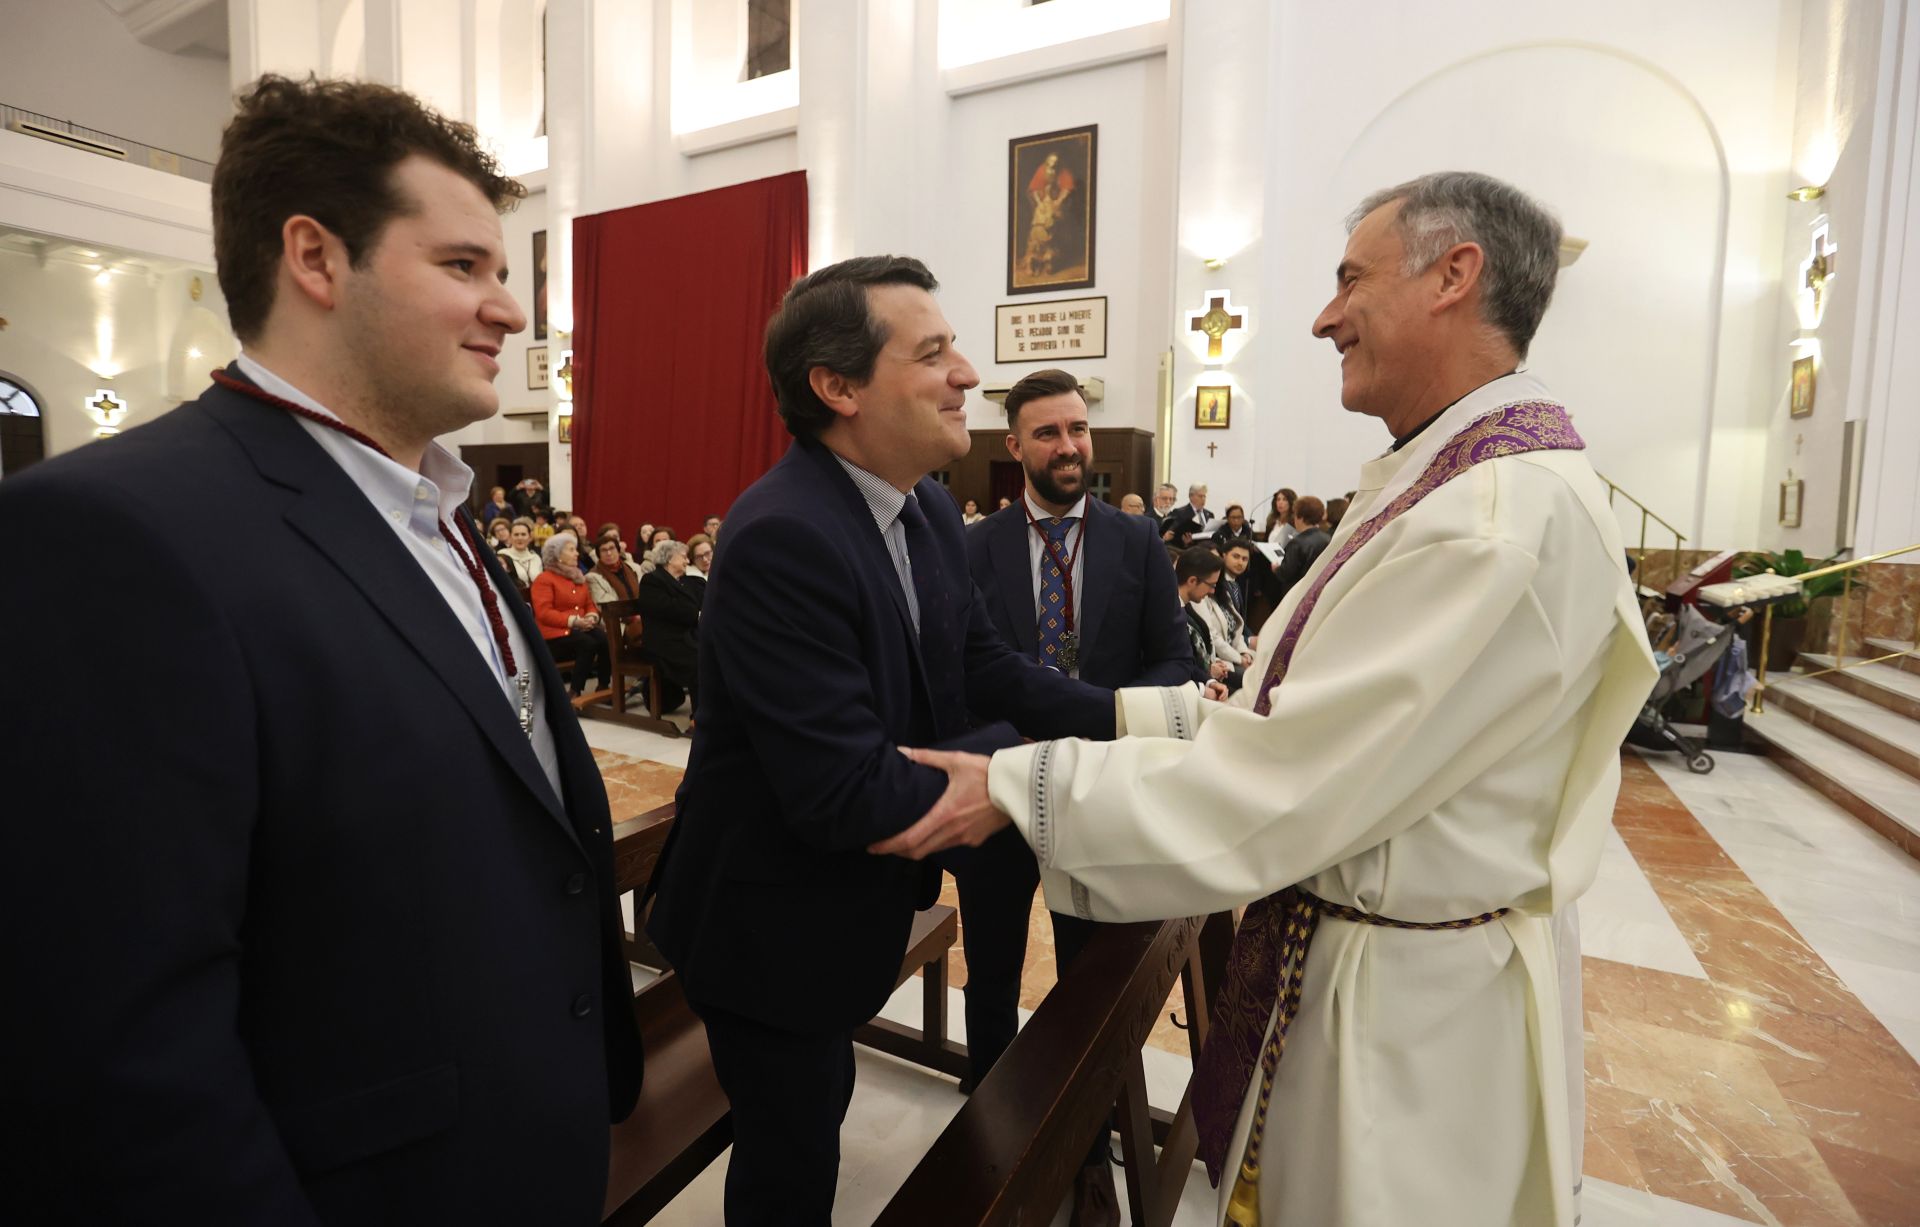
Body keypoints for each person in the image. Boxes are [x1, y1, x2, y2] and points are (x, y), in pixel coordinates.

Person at [877, 171, 1659, 1227]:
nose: (1325, 315)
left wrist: (1017, 784)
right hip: (1382, 966)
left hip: (1413, 1024)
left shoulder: (1492, 520)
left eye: (1351, 280)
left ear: (1453, 276)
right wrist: (1121, 721)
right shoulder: (1449, 485)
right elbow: (1290, 710)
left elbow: (1285, 779)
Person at [0, 75, 640, 1225]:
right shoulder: (115, 530)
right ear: (315, 257)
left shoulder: (433, 508)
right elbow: (119, 1034)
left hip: (521, 1141)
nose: (509, 311)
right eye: (464, 267)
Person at [643, 254, 1113, 1227]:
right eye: (934, 352)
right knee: (792, 1158)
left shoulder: (929, 507)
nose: (968, 374)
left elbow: (979, 667)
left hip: (846, 899)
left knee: (815, 1118)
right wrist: (1035, 781)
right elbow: (844, 790)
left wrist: (1128, 723)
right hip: (767, 922)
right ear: (838, 387)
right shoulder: (784, 535)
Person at [962, 366, 1201, 1222]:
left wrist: (1096, 733)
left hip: (1096, 796)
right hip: (999, 796)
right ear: (1016, 445)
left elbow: (1179, 663)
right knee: (989, 978)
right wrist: (1017, 747)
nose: (1070, 446)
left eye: (1079, 429)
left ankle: (1086, 1140)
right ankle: (986, 1138)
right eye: (1050, 433)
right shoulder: (975, 546)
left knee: (1084, 983)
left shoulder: (1135, 541)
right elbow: (958, 677)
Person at [532, 530, 610, 697]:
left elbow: (589, 604)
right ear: (557, 555)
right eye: (571, 549)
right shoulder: (545, 579)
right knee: (587, 643)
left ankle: (604, 685)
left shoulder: (577, 577)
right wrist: (574, 621)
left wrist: (591, 616)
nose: (576, 553)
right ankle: (575, 691)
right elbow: (544, 613)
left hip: (578, 627)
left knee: (604, 638)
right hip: (554, 633)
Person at [637, 539, 703, 715]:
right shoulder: (652, 581)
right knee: (700, 662)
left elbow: (698, 606)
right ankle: (699, 718)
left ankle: (715, 710)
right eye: (682, 557)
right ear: (668, 559)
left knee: (715, 654)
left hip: (686, 636)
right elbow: (670, 610)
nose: (687, 561)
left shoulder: (688, 581)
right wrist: (695, 614)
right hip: (664, 641)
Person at [1175, 545, 1239, 692]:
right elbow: (1180, 664)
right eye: (1211, 585)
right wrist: (1205, 687)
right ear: (1192, 581)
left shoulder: (1185, 605)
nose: (1212, 591)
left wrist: (1209, 680)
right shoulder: (1170, 612)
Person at [1269, 494, 1331, 606]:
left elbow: (1286, 573)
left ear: (1300, 517)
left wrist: (1277, 569)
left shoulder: (1296, 543)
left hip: (1297, 596)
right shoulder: (1328, 539)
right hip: (1320, 595)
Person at [586, 533, 642, 608]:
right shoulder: (592, 577)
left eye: (612, 548)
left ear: (618, 550)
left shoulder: (635, 568)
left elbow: (645, 594)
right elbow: (605, 604)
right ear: (599, 555)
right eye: (604, 550)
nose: (609, 553)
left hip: (643, 613)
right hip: (615, 617)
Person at [1161, 482, 1214, 547]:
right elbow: (1173, 536)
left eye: (1204, 496)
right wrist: (1184, 542)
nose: (1203, 499)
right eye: (1200, 496)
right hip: (1188, 550)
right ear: (1191, 496)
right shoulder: (1179, 513)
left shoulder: (1209, 514)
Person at [502, 515, 542, 587]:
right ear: (510, 537)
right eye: (516, 535)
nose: (520, 538)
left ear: (530, 537)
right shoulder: (503, 556)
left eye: (523, 534)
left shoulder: (536, 558)